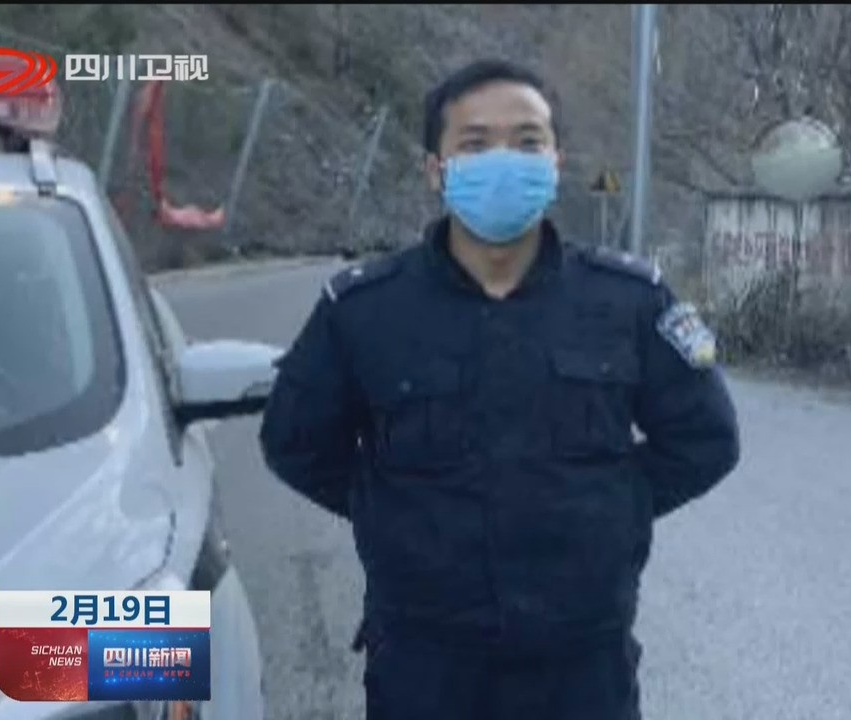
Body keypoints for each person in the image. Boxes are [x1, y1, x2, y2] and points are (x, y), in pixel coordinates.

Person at [259, 58, 741, 720]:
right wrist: (391, 512)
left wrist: (614, 509)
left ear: (556, 162)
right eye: (476, 144)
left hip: (583, 667)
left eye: (527, 142)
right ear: (436, 170)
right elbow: (295, 442)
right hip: (424, 666)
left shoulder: (627, 301)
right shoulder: (365, 310)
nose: (504, 161)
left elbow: (705, 438)